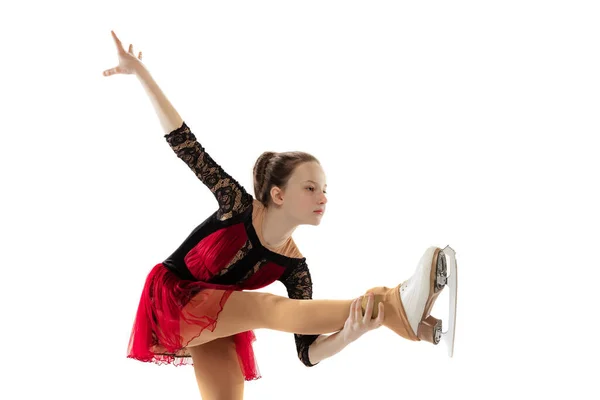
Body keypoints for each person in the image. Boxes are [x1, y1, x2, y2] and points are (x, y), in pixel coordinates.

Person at [103, 30, 454, 400]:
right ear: (277, 194)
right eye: (310, 188)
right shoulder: (236, 205)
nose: (323, 197)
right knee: (265, 307)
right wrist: (140, 72)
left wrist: (352, 332)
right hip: (172, 300)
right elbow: (183, 142)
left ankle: (401, 316)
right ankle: (394, 302)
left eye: (324, 189)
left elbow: (308, 352)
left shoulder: (294, 267)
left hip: (217, 318)